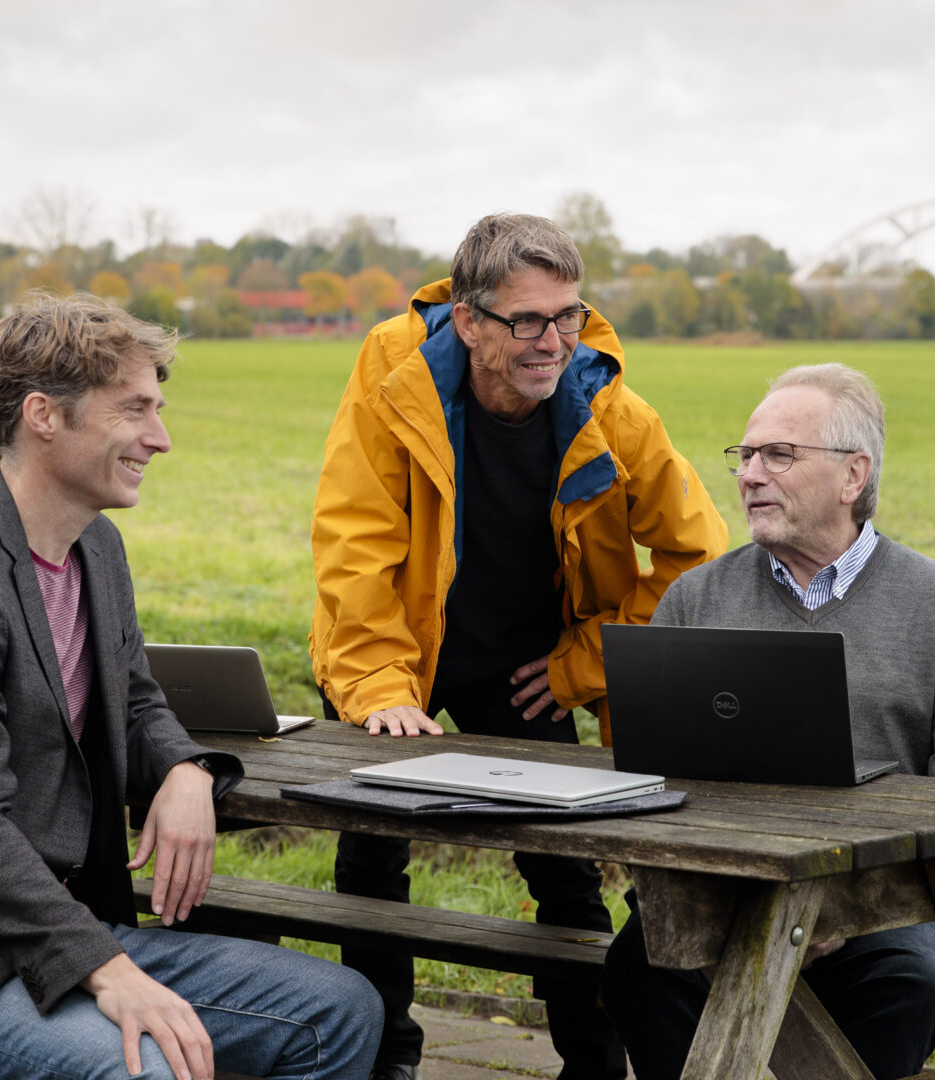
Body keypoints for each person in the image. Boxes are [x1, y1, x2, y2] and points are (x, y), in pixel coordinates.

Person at [0, 294, 383, 1080]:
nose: (161, 438)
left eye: (159, 410)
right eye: (134, 410)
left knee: (340, 1011)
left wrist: (184, 770)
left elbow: (136, 700)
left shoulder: (93, 547)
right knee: (137, 1073)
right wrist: (114, 974)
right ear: (44, 415)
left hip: (69, 932)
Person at [309, 213, 728, 1080]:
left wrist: (586, 661)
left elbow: (700, 555)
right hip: (397, 647)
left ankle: (594, 1066)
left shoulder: (607, 404)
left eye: (568, 316)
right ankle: (385, 1056)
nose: (553, 341)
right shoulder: (395, 374)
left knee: (567, 866)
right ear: (469, 321)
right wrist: (380, 687)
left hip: (527, 662)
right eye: (527, 320)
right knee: (371, 852)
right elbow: (356, 541)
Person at [598, 363, 935, 1080]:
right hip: (720, 902)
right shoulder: (695, 600)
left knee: (910, 991)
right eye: (746, 455)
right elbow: (650, 783)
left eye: (778, 455)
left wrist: (842, 912)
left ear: (854, 476)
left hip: (884, 915)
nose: (750, 474)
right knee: (638, 967)